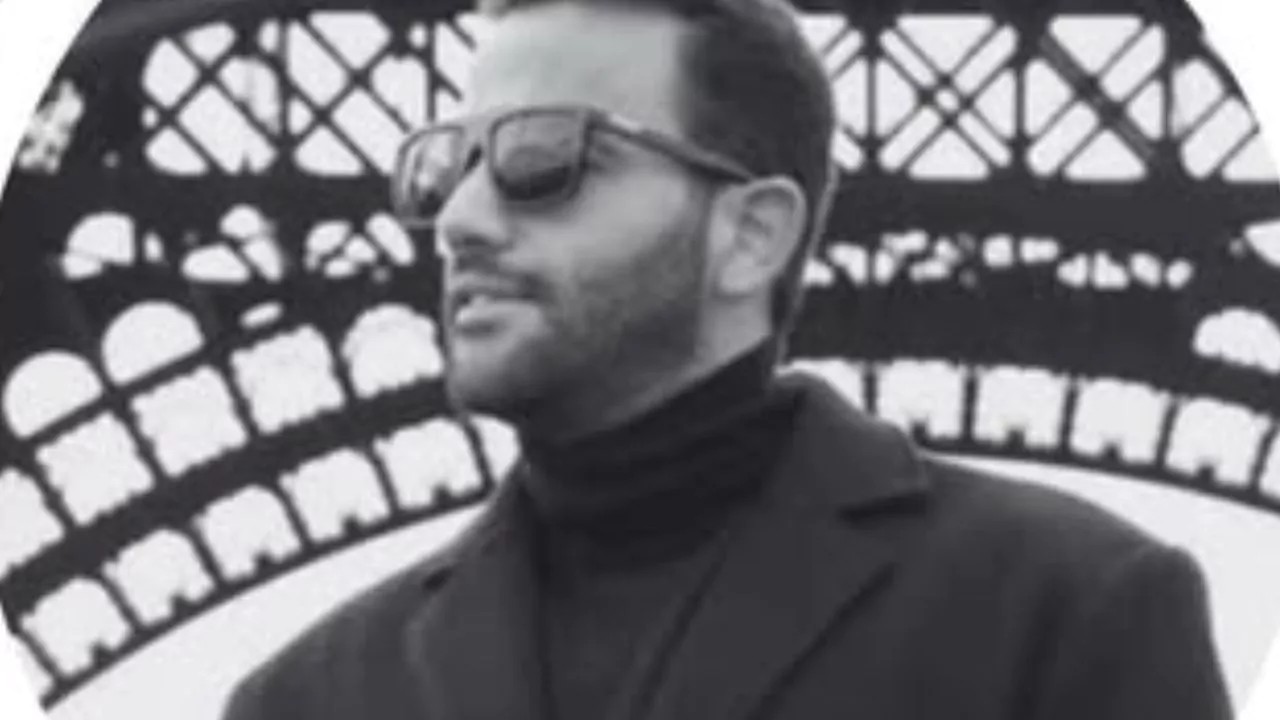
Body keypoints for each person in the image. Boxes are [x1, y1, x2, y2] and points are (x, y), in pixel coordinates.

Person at [223, 0, 1232, 718]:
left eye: (543, 155)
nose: (461, 217)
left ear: (751, 236)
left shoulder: (1067, 611)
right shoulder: (303, 699)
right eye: (447, 164)